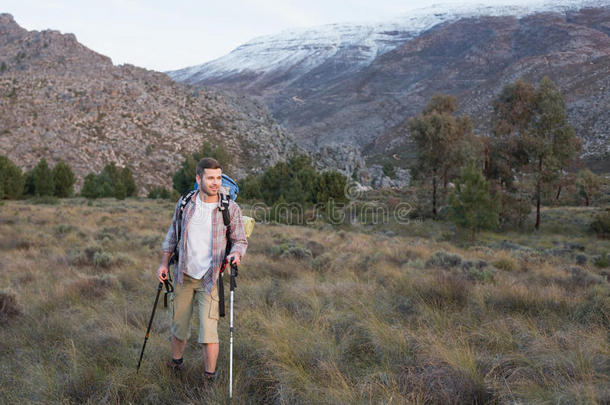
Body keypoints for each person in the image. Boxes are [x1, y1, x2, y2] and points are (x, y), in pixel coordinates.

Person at [157, 157, 247, 382]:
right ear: (199, 179)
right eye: (210, 178)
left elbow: (240, 240)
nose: (215, 183)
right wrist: (164, 263)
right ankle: (176, 363)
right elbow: (172, 235)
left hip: (210, 278)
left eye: (218, 178)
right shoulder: (186, 203)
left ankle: (209, 377)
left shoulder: (230, 208)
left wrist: (236, 254)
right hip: (183, 276)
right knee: (179, 326)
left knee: (208, 333)